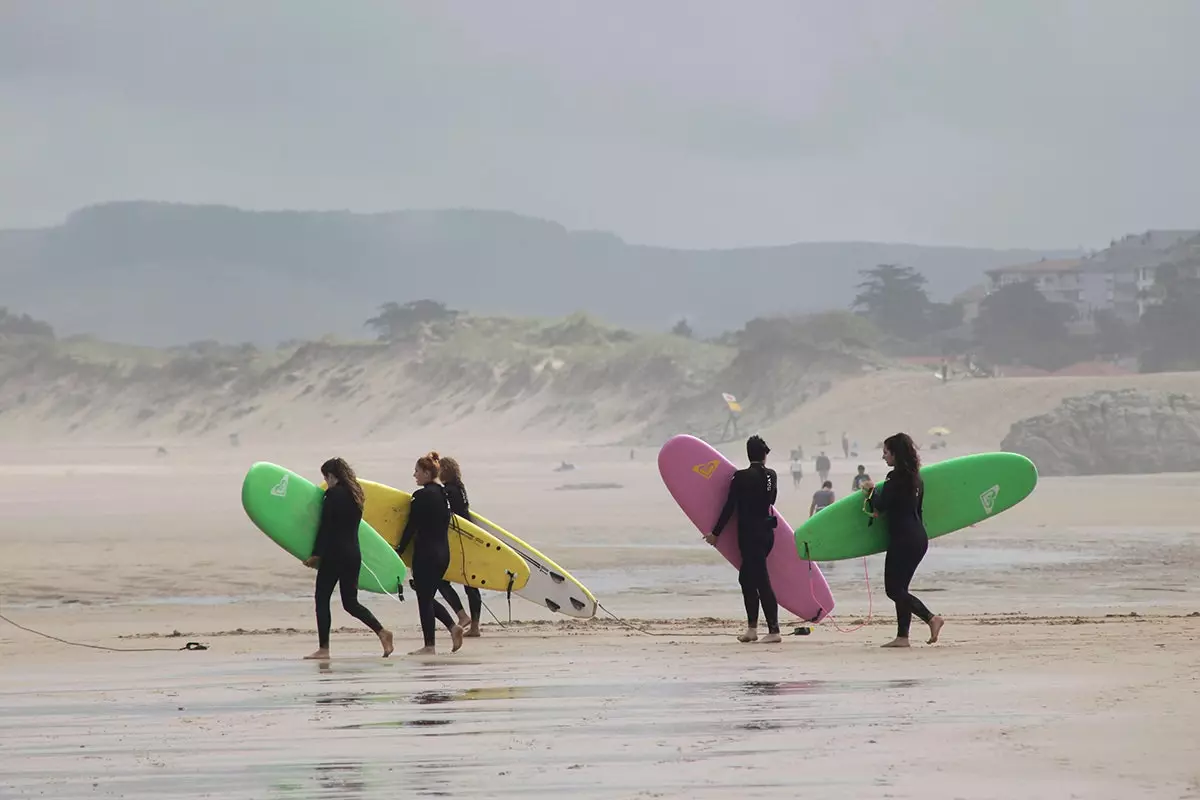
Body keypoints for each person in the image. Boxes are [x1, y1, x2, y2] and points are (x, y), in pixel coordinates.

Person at [860, 433, 945, 648]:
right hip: (917, 537)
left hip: (903, 539)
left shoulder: (894, 477)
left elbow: (881, 505)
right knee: (902, 588)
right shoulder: (917, 478)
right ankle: (902, 637)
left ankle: (931, 618)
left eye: (886, 452)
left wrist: (870, 491)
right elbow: (915, 510)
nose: (883, 457)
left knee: (894, 590)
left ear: (895, 454)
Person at [303, 458, 393, 660]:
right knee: (350, 602)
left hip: (334, 555)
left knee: (322, 598)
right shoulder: (356, 495)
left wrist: (316, 554)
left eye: (326, 477)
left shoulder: (332, 495)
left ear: (332, 476)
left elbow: (326, 527)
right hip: (353, 553)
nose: (326, 481)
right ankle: (382, 632)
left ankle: (324, 649)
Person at [703, 435, 781, 644]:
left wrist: (715, 533)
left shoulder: (741, 477)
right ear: (764, 454)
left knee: (761, 580)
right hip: (766, 534)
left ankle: (774, 631)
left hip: (749, 534)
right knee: (747, 578)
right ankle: (752, 629)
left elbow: (730, 506)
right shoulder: (771, 475)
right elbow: (772, 500)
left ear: (749, 454)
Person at [397, 451, 464, 655]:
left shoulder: (421, 496)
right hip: (443, 554)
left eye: (417, 471)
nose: (414, 475)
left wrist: (399, 550)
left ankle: (429, 646)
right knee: (426, 596)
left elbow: (411, 526)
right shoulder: (444, 495)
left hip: (426, 554)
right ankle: (453, 628)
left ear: (427, 473)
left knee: (424, 599)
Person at [435, 456, 483, 638]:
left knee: (441, 580)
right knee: (470, 583)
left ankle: (462, 616)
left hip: (457, 540)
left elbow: (445, 516)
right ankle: (475, 626)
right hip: (468, 538)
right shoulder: (459, 488)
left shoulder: (447, 491)